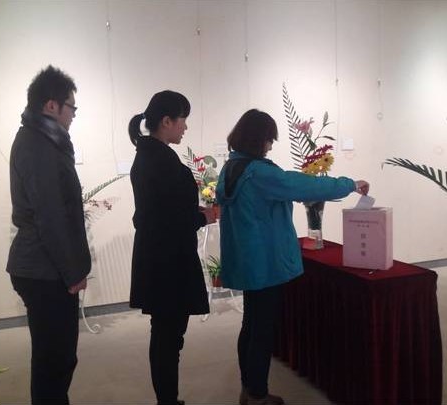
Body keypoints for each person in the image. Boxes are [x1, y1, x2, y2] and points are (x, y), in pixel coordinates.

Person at [215, 109, 370, 405]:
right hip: (266, 263)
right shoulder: (258, 172)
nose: (270, 145)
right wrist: (349, 184)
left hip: (248, 262)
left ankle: (249, 388)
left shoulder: (231, 169)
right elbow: (302, 185)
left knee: (251, 326)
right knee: (261, 330)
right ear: (257, 139)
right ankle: (258, 395)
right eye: (269, 139)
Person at [6, 65, 91, 405]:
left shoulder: (42, 140)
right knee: (53, 359)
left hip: (45, 266)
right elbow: (50, 215)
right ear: (51, 105)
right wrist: (72, 272)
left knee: (57, 357)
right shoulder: (37, 144)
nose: (73, 114)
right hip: (43, 270)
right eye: (72, 107)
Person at [128, 90, 217, 405]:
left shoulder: (149, 154)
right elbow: (171, 218)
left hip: (158, 256)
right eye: (182, 120)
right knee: (168, 336)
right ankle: (167, 399)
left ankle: (167, 398)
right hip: (168, 261)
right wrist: (204, 216)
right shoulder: (161, 160)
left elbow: (155, 211)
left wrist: (195, 213)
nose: (185, 127)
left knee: (165, 333)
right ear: (166, 121)